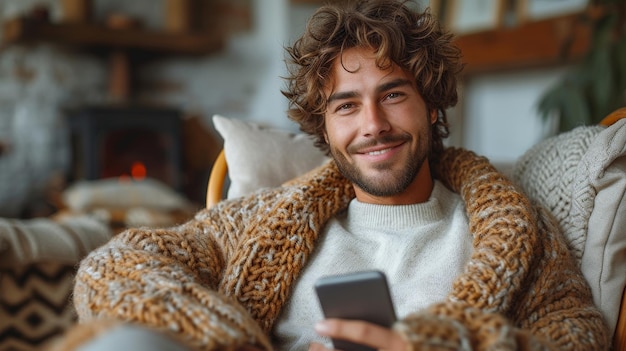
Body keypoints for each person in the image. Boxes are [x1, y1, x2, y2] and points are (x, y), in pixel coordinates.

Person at [56, 0, 609, 350]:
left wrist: (440, 344)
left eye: (393, 95)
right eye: (346, 106)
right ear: (325, 127)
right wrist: (231, 343)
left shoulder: (512, 231)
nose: (373, 125)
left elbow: (577, 332)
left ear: (433, 106)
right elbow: (114, 266)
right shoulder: (264, 220)